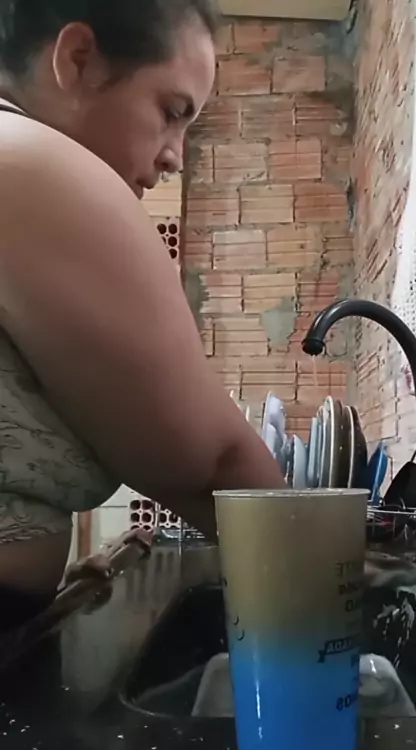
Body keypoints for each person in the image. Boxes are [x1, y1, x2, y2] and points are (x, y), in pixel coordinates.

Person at [0, 0, 285, 628]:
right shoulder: (27, 162)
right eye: (171, 112)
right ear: (78, 60)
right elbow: (214, 468)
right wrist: (343, 580)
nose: (175, 156)